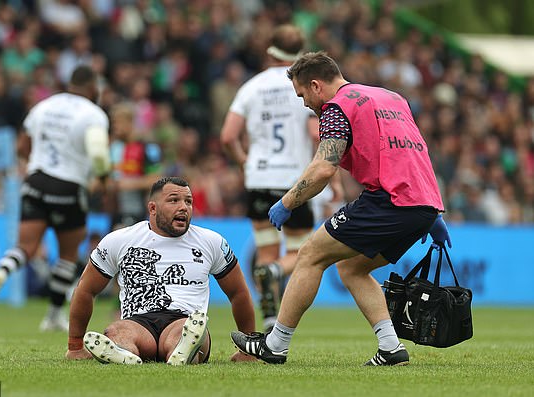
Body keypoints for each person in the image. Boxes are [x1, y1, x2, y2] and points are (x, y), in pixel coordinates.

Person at [231, 51, 451, 366]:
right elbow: (415, 153)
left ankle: (275, 345)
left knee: (309, 255)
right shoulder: (392, 98)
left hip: (388, 200)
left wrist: (287, 202)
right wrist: (433, 214)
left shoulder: (336, 108)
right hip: (422, 203)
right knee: (352, 268)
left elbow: (323, 169)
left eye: (302, 94)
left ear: (316, 85)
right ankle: (391, 348)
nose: (305, 103)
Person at [220, 24, 341, 332]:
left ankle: (270, 317)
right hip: (294, 180)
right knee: (299, 252)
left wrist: (244, 161)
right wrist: (335, 181)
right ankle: (276, 273)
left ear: (269, 49)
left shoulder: (251, 87)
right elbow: (317, 135)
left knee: (265, 250)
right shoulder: (303, 86)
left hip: (259, 178)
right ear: (301, 52)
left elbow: (227, 136)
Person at [0, 65, 111, 332]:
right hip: (68, 186)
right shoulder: (94, 114)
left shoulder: (44, 106)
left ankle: (1, 271)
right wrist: (103, 178)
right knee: (68, 255)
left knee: (25, 247)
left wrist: (34, 163)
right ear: (93, 87)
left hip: (35, 181)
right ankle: (52, 315)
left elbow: (22, 146)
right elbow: (98, 153)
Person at [65, 176, 256, 365]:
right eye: (174, 200)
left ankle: (183, 349)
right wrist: (75, 346)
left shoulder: (211, 242)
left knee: (184, 332)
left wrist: (247, 349)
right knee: (118, 331)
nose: (184, 207)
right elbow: (86, 289)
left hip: (184, 319)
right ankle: (124, 351)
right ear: (152, 208)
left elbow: (238, 292)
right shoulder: (120, 240)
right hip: (138, 322)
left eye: (188, 201)